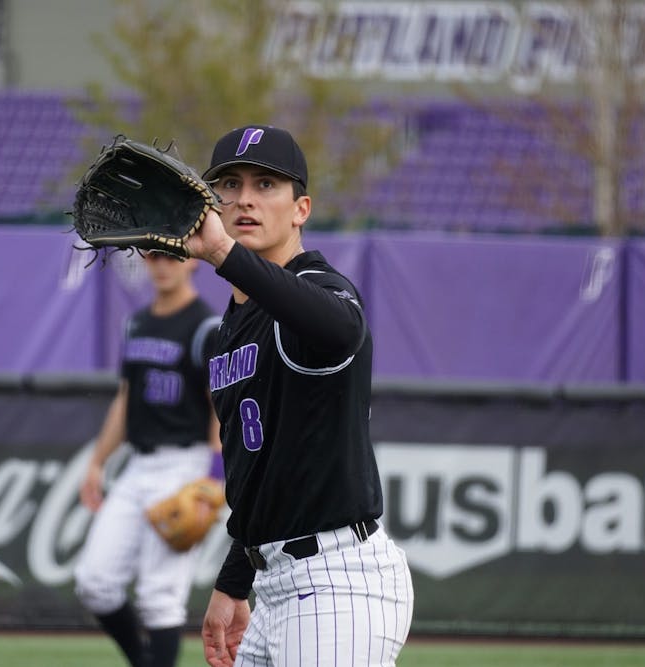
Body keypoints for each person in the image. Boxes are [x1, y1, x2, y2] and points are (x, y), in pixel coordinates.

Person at [186, 125, 415, 667]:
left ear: (301, 209)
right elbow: (257, 469)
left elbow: (340, 329)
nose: (244, 198)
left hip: (338, 582)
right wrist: (234, 580)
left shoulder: (318, 285)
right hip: (274, 585)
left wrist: (221, 251)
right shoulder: (231, 329)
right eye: (230, 184)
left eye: (266, 184)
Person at [73, 250, 223, 667]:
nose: (163, 265)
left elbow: (219, 409)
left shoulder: (206, 327)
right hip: (138, 465)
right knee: (95, 582)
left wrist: (216, 477)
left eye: (173, 256)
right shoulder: (135, 323)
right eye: (155, 256)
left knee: (160, 596)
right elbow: (125, 401)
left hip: (185, 464)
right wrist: (97, 462)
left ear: (192, 260)